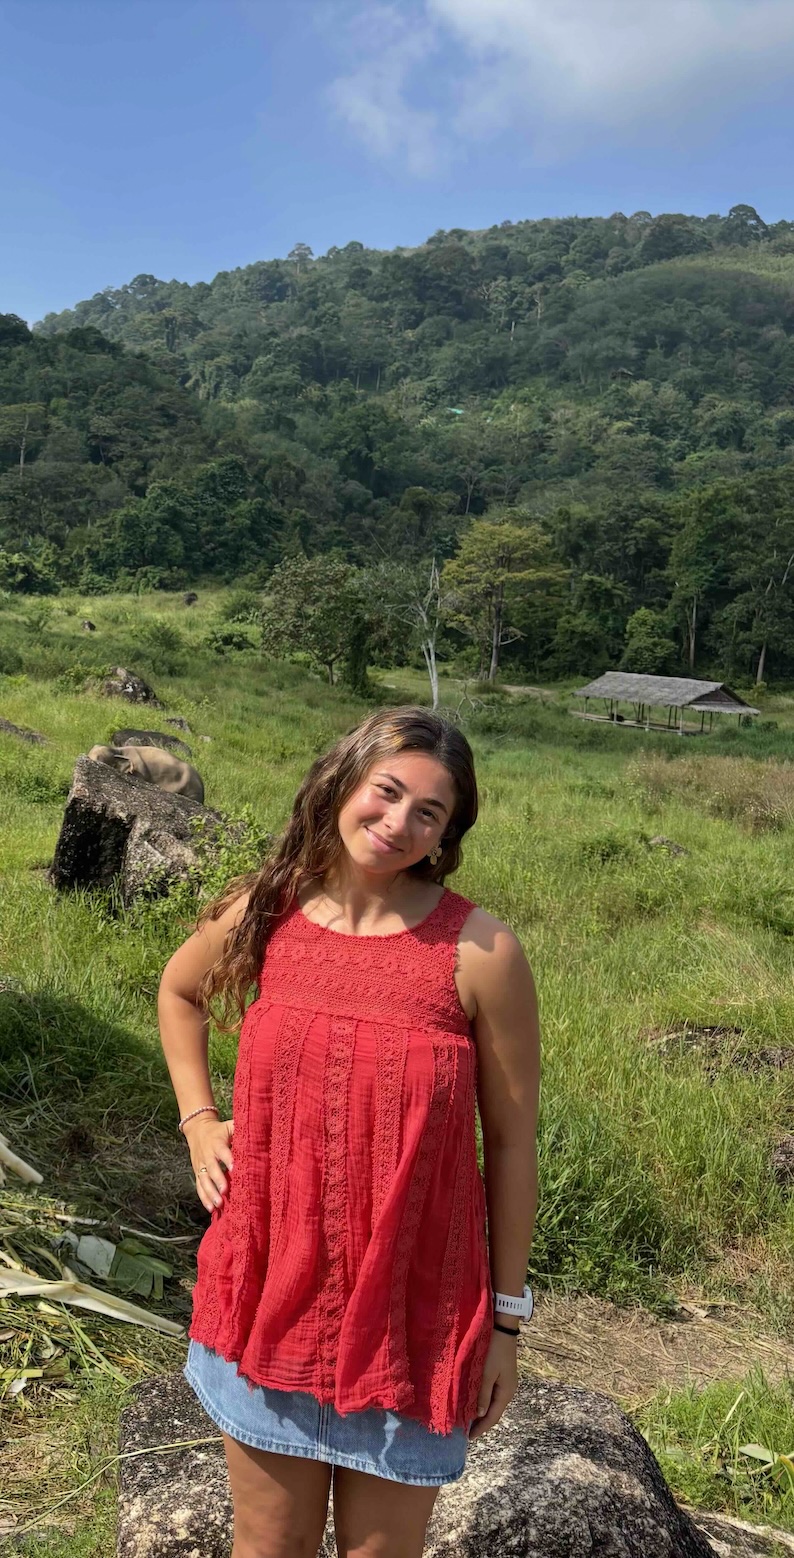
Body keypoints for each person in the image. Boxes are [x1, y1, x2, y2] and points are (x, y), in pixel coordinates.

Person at [158, 704, 540, 1558]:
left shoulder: (481, 952)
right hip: (266, 1302)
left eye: (429, 812)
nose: (398, 822)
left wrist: (505, 1326)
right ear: (345, 782)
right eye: (388, 791)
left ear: (447, 833)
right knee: (269, 1549)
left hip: (411, 1318)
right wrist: (199, 1120)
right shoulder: (270, 907)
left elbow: (513, 1145)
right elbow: (179, 993)